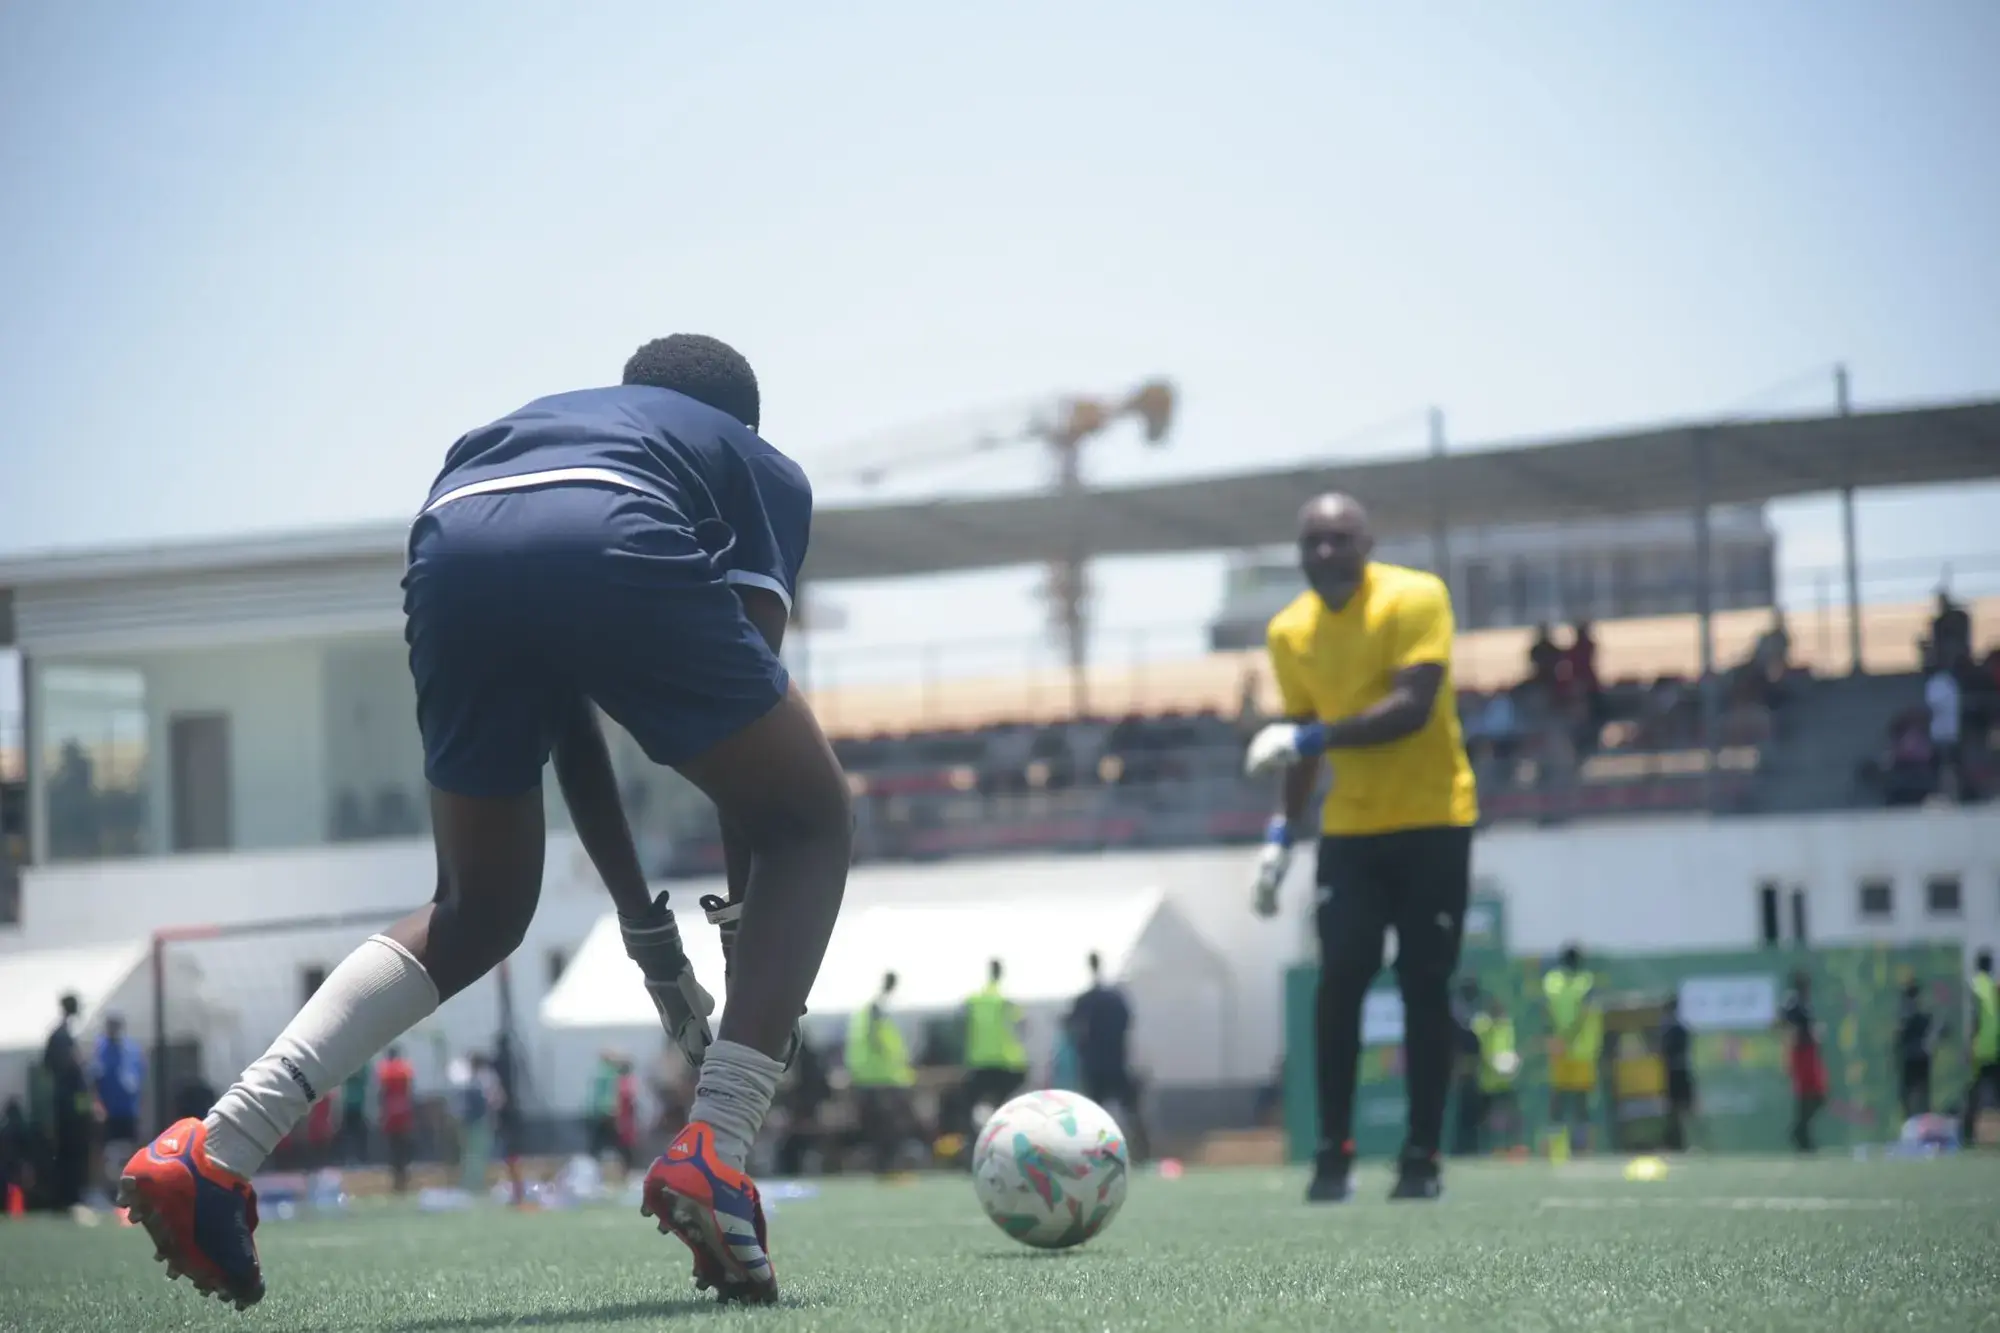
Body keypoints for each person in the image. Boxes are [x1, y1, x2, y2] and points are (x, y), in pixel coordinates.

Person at [120, 334, 852, 1308]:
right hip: (609, 522)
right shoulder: (755, 464)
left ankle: (217, 1148)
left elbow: (568, 725)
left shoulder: (565, 423)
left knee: (476, 908)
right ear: (743, 424)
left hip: (453, 529)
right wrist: (748, 954)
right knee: (814, 819)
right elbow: (755, 779)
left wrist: (647, 932)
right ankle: (716, 1147)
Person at [1245, 493, 1478, 1203]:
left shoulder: (1416, 598)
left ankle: (1421, 1158)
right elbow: (1300, 744)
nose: (1326, 553)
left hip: (1435, 818)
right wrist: (1282, 834)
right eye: (1313, 541)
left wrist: (1313, 736)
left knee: (1424, 984)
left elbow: (1411, 708)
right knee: (1340, 979)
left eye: (1339, 538)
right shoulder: (1289, 630)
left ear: (1367, 543)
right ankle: (1332, 1155)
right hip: (1349, 830)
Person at [1068, 952, 1151, 1161]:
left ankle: (1091, 1156)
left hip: (1095, 1066)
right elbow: (1128, 1025)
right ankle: (1143, 1154)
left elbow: (1074, 1028)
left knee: (1093, 1117)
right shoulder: (1115, 997)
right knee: (1131, 1111)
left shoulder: (1085, 1000)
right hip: (1116, 1063)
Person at [1542, 945, 1603, 1157]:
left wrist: (1555, 1038)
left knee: (1561, 1101)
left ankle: (1563, 1149)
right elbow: (1584, 1013)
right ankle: (1575, 1148)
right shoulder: (1586, 982)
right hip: (1579, 1051)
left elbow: (1546, 1014)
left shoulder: (1552, 982)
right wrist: (1564, 1039)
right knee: (1577, 1102)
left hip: (1564, 1050)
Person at [960, 960, 1029, 1131]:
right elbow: (1022, 1026)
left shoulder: (974, 1000)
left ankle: (979, 1131)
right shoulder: (1006, 1001)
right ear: (1001, 973)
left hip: (979, 1061)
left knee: (976, 1101)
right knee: (1006, 1102)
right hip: (1005, 1061)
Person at [93, 1014, 146, 1178]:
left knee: (129, 1151)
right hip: (109, 1113)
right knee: (109, 1153)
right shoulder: (101, 1049)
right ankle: (109, 1184)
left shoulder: (131, 1049)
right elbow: (95, 1079)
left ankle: (131, 1181)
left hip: (129, 1111)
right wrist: (97, 1104)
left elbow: (139, 1079)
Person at [1779, 971, 1827, 1153]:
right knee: (1808, 1094)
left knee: (1816, 1095)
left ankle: (1801, 1132)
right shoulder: (1793, 1004)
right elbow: (1786, 1029)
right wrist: (1787, 1056)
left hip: (1810, 1052)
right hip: (1802, 1053)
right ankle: (1801, 1134)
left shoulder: (1804, 1004)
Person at [1965, 950, 1999, 1147]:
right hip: (1995, 1049)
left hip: (1980, 1050)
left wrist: (1969, 1045)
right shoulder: (1993, 987)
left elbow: (1973, 1019)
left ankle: (1967, 1134)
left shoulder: (1975, 986)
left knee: (1974, 1092)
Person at [376, 1046, 415, 1195]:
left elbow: (382, 1093)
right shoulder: (405, 1069)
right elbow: (410, 1091)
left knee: (392, 1149)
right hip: (404, 1112)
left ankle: (396, 1182)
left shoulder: (385, 1070)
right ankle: (404, 1180)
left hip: (390, 1113)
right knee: (404, 1149)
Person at [1660, 994, 1695, 1152]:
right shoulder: (1674, 1028)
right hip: (1674, 1072)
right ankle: (1676, 1143)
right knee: (1675, 1110)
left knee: (1681, 1110)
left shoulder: (1674, 1029)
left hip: (1676, 1072)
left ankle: (1684, 1142)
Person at [1896, 979, 1934, 1120]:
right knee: (1917, 1095)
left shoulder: (1908, 1017)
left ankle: (1915, 1119)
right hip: (1916, 1060)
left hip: (1914, 1060)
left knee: (1914, 1095)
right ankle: (1916, 1118)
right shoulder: (1916, 1017)